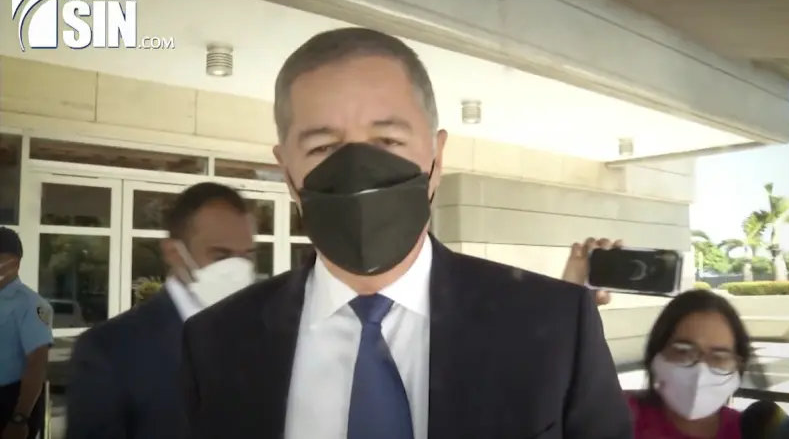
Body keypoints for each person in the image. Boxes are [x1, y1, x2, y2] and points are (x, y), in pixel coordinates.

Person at [180, 27, 632, 439]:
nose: (357, 168)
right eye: (323, 147)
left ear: (437, 157)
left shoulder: (557, 327)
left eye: (389, 142)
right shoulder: (215, 343)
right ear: (286, 172)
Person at [65, 183, 257, 439]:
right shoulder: (108, 350)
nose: (238, 269)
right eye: (221, 256)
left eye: (247, 256)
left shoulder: (269, 334)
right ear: (174, 253)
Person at [627, 289, 749, 439]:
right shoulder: (618, 415)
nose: (700, 372)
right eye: (683, 352)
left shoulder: (752, 431)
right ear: (656, 355)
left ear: (739, 366)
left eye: (719, 357)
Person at [0, 227, 52, 439]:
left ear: (15, 263)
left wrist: (19, 419)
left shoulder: (31, 305)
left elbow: (37, 364)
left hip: (9, 403)